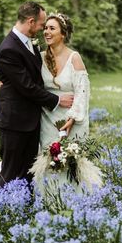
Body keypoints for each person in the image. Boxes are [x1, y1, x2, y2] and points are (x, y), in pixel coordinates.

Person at [0, 2, 74, 189]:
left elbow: (34, 77)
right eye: (41, 24)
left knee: (28, 171)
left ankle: (25, 211)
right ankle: (3, 213)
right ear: (31, 22)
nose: (42, 28)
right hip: (14, 122)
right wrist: (57, 100)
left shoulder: (28, 43)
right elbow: (27, 86)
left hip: (30, 120)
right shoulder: (9, 48)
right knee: (11, 171)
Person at [30, 13, 102, 194]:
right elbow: (30, 84)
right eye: (45, 28)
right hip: (48, 118)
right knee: (49, 162)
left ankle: (78, 202)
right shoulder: (40, 57)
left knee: (71, 162)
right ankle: (49, 201)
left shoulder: (74, 57)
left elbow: (82, 91)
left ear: (63, 34)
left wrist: (72, 118)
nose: (46, 31)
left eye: (51, 28)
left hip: (73, 119)